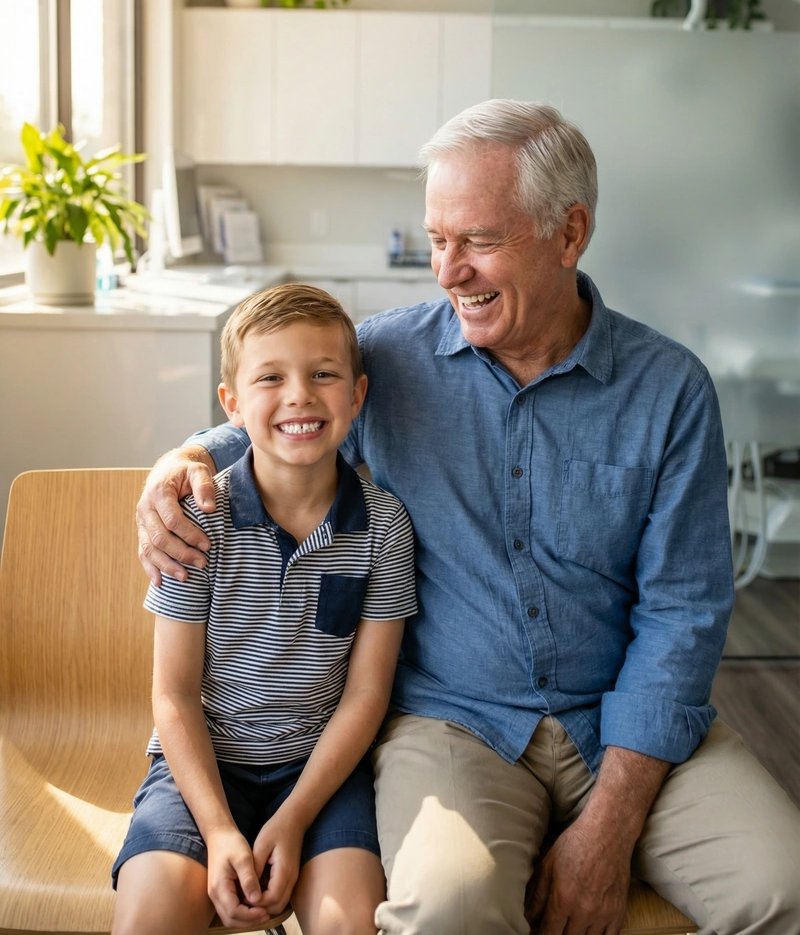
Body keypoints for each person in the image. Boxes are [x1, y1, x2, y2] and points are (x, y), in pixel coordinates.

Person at [137, 101, 800, 935]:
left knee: (783, 886)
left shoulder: (669, 391)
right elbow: (276, 415)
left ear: (570, 233)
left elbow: (684, 614)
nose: (449, 272)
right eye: (438, 240)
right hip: (457, 723)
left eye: (478, 240)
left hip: (628, 726)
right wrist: (180, 461)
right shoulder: (388, 358)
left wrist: (610, 824)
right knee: (445, 910)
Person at [115, 284, 416, 935]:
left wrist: (295, 816)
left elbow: (366, 695)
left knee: (350, 922)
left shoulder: (386, 528)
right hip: (200, 767)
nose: (299, 395)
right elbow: (173, 695)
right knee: (150, 915)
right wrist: (220, 830)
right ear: (231, 404)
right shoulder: (196, 522)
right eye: (271, 377)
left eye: (324, 374)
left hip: (321, 772)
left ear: (357, 395)